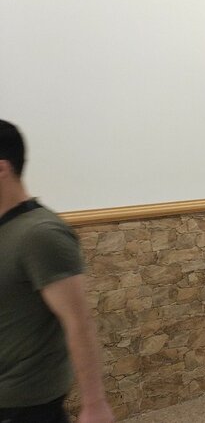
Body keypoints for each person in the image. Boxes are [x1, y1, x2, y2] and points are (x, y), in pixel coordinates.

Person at [0, 120, 115, 423]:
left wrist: (94, 403)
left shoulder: (41, 235)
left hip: (24, 410)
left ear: (2, 169)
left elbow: (79, 322)